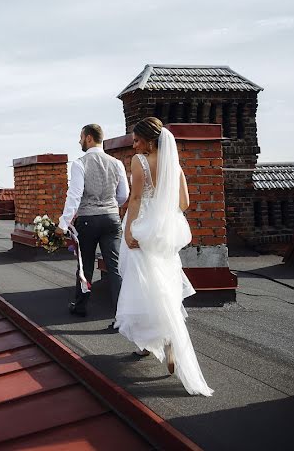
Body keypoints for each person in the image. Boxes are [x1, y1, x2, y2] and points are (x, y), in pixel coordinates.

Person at [115, 117, 213, 396]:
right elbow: (184, 203)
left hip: (143, 228)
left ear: (148, 140)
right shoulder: (174, 166)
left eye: (136, 140)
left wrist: (130, 230)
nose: (134, 145)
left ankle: (150, 342)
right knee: (164, 285)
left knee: (142, 285)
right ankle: (166, 338)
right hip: (163, 234)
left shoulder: (139, 161)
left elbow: (134, 199)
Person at [56, 124, 129, 323]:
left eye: (80, 137)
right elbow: (123, 195)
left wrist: (63, 223)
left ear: (88, 138)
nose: (79, 141)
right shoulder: (117, 163)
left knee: (84, 266)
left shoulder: (80, 163)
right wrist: (110, 206)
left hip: (88, 220)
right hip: (112, 219)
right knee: (115, 268)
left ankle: (80, 306)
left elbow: (74, 196)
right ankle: (122, 315)